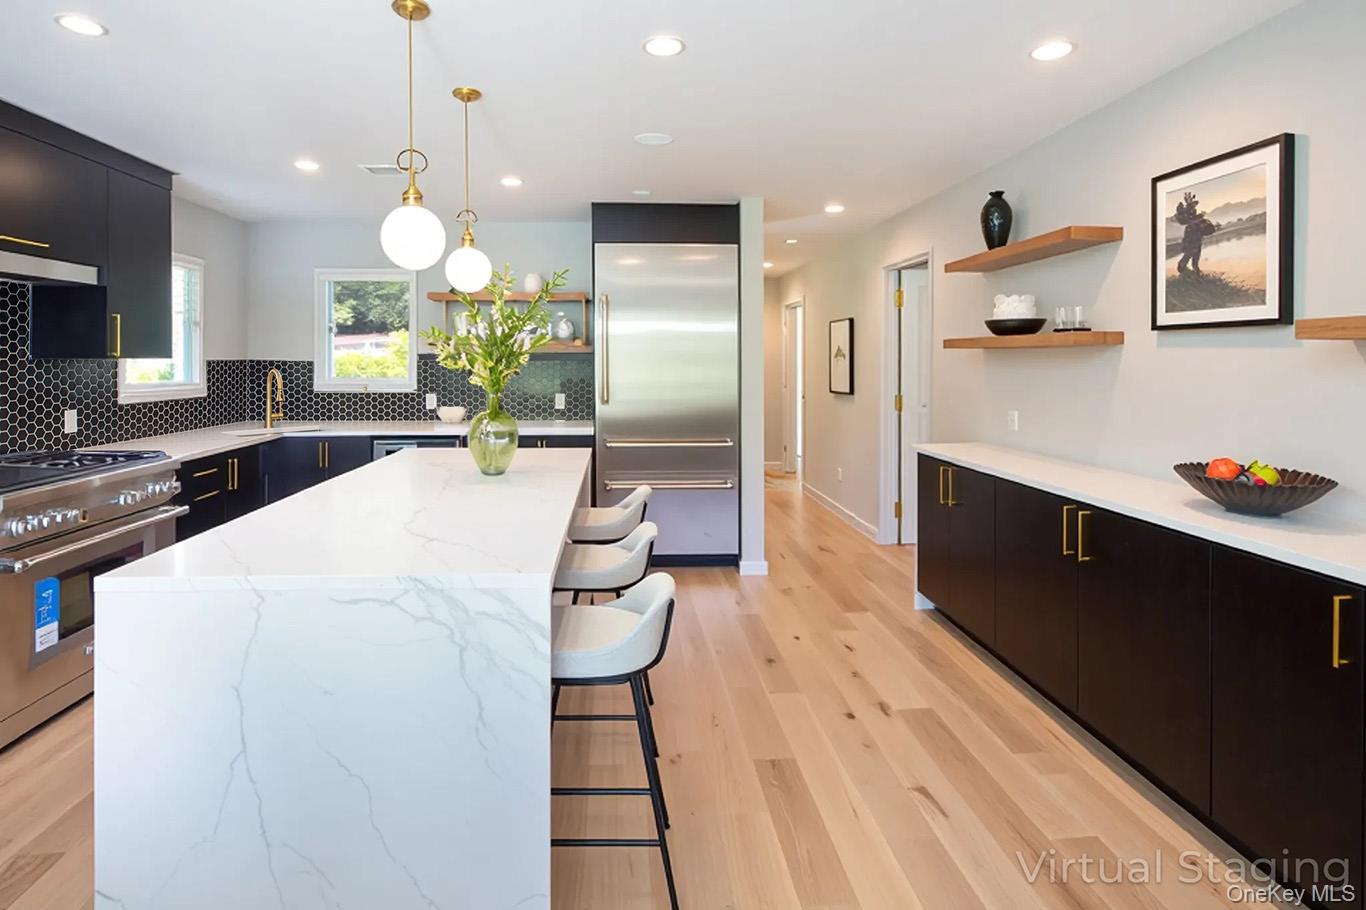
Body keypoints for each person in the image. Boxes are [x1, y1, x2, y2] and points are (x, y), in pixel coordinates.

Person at [1173, 191, 1219, 275]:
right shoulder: (1189, 223)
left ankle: (1196, 274)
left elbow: (1206, 231)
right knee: (1186, 259)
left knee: (1195, 261)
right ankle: (1185, 272)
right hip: (1191, 244)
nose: (1194, 208)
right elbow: (1189, 224)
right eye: (1192, 206)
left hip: (1197, 243)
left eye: (1194, 206)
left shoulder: (1197, 221)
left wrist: (1204, 223)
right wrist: (1200, 219)